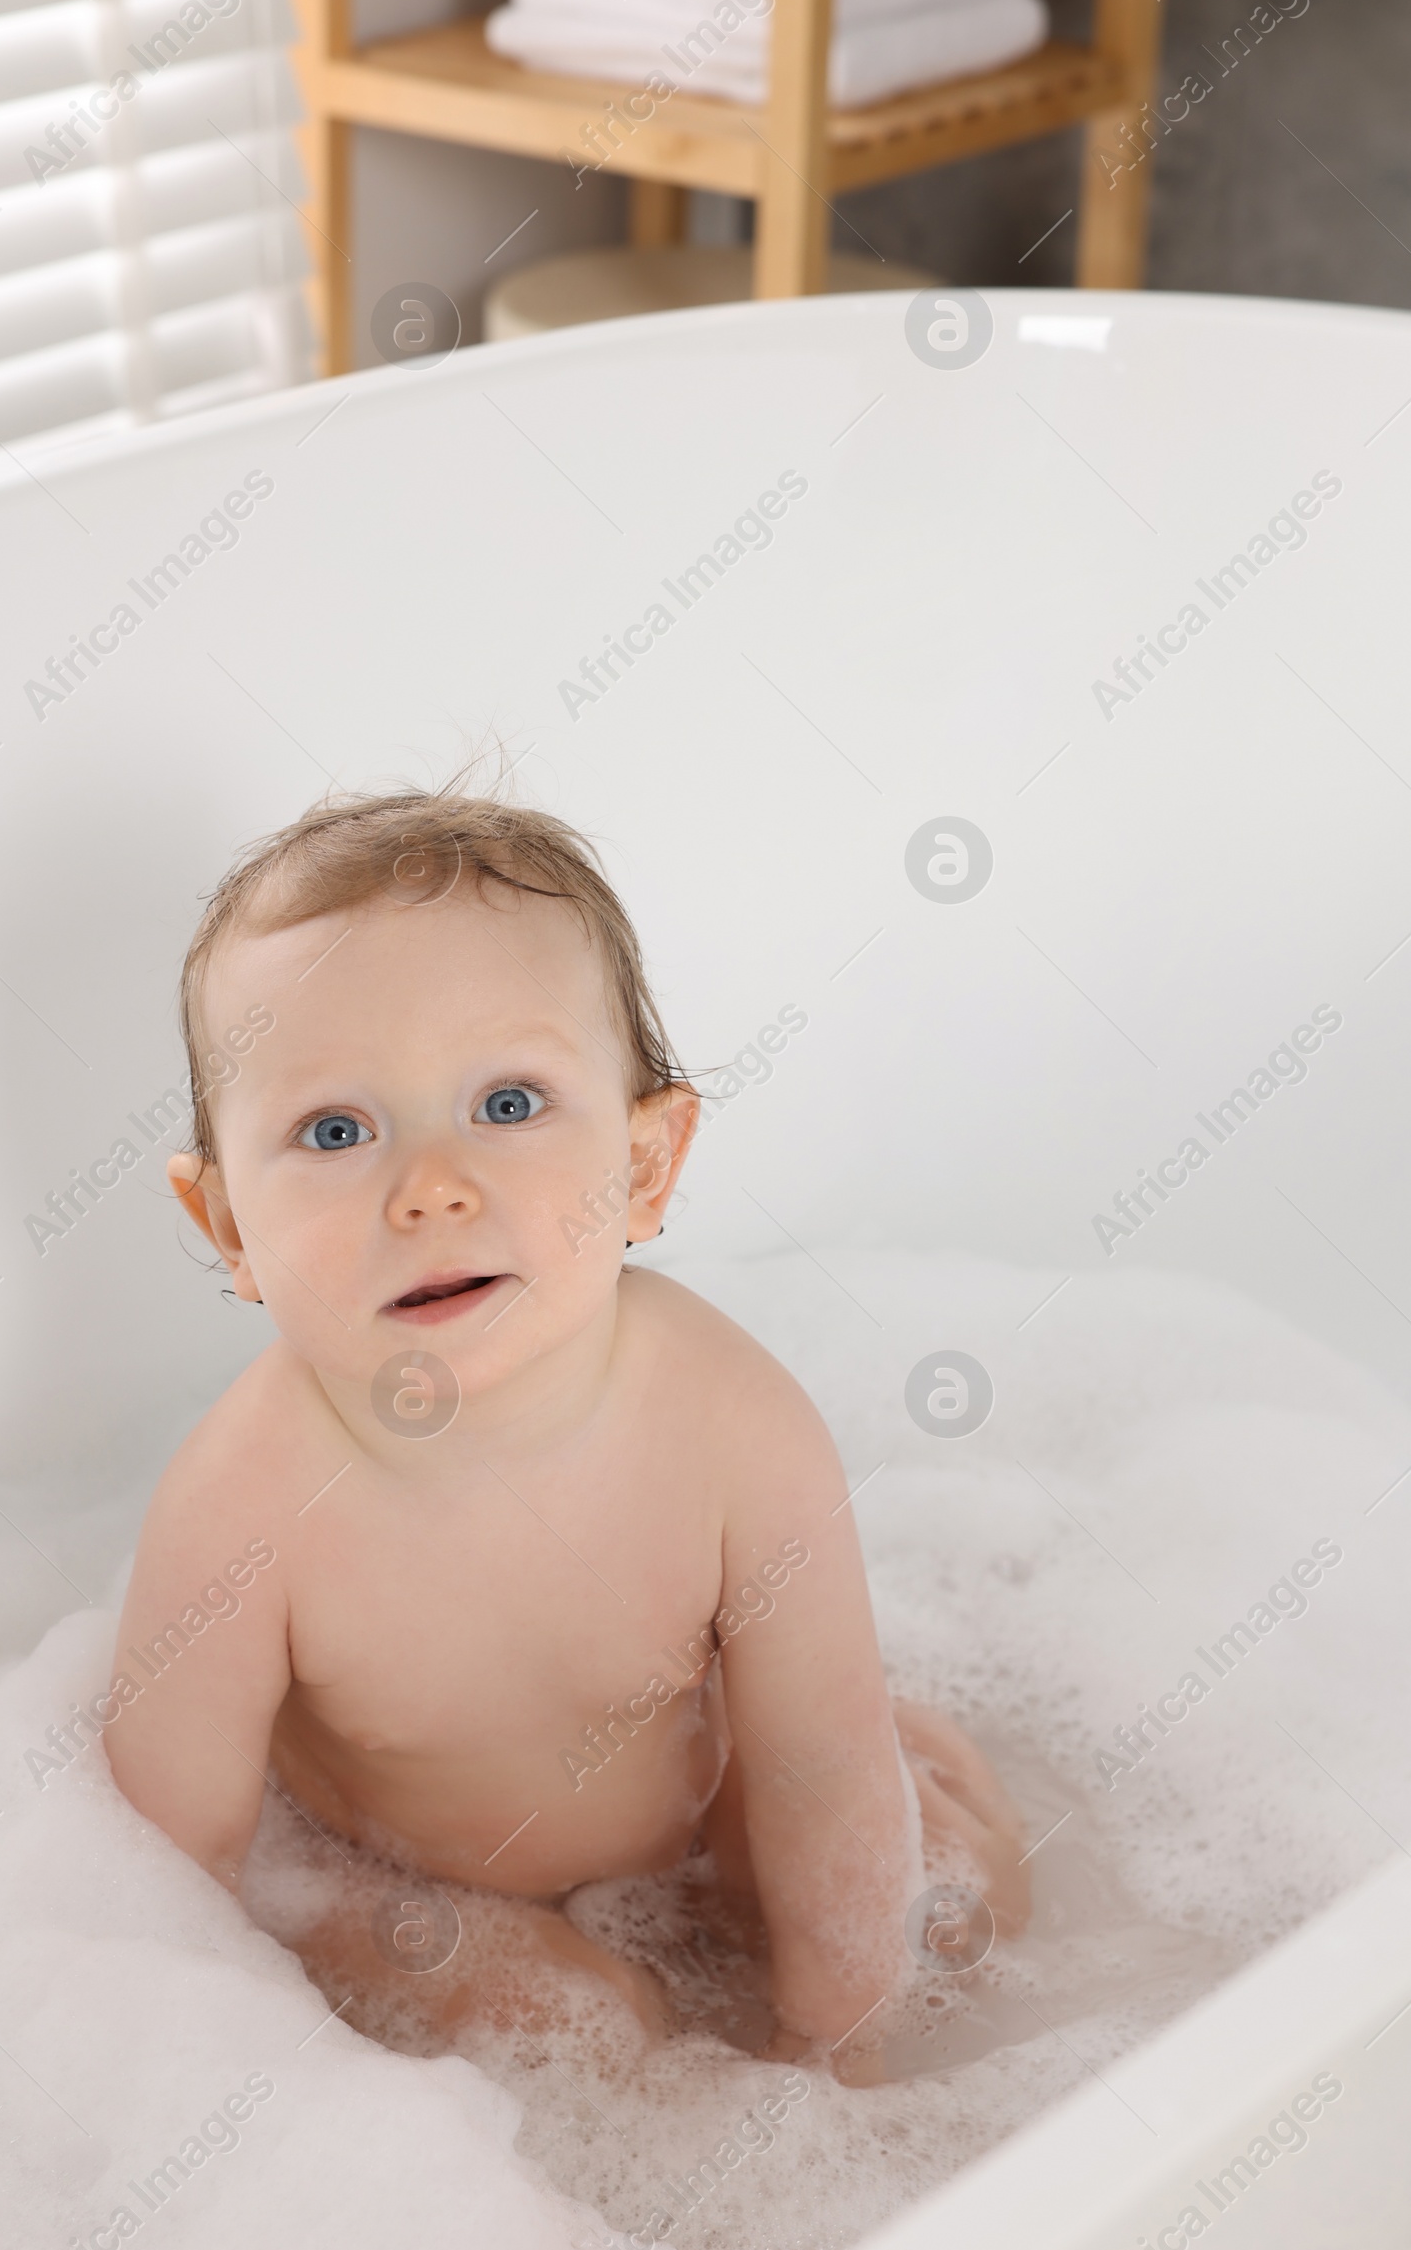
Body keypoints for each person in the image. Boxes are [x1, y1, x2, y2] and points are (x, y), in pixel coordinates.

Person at [104, 785, 1028, 2081]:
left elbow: (817, 1773)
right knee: (577, 2035)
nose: (430, 1188)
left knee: (953, 1879)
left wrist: (837, 2064)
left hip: (705, 1818)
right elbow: (163, 1864)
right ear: (229, 1231)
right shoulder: (240, 1506)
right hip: (406, 1887)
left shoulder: (735, 1431)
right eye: (334, 1130)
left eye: (507, 1104)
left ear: (647, 1165)